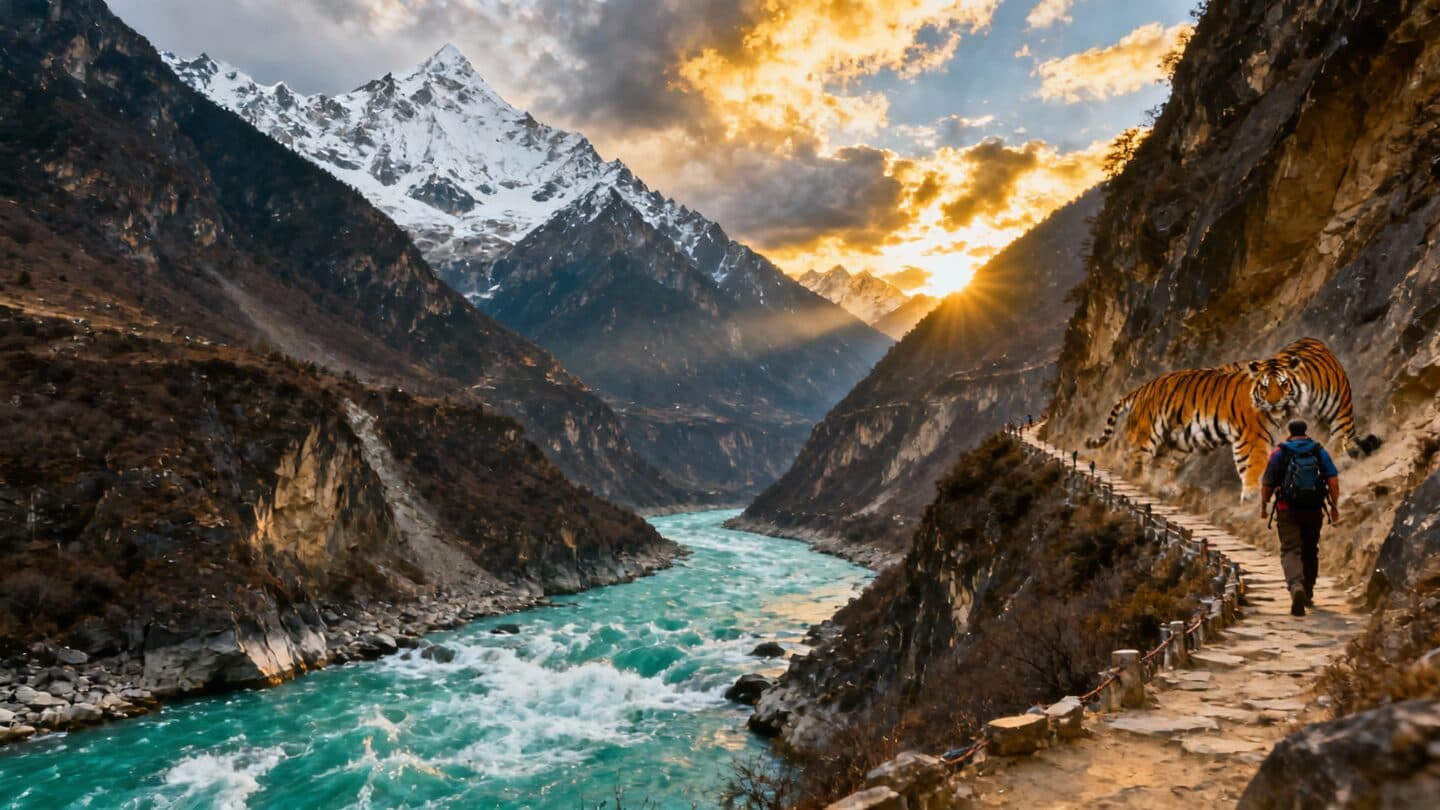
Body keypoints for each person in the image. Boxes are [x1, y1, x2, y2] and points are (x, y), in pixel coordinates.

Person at [1259, 419, 1340, 617]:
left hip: (1287, 509)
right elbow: (1333, 480)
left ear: (1289, 432)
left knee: (1290, 549)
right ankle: (1309, 590)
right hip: (1313, 509)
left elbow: (1268, 483)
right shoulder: (1318, 451)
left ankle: (1296, 586)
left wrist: (1264, 505)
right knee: (1310, 550)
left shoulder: (1280, 453)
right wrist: (1334, 506)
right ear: (1306, 431)